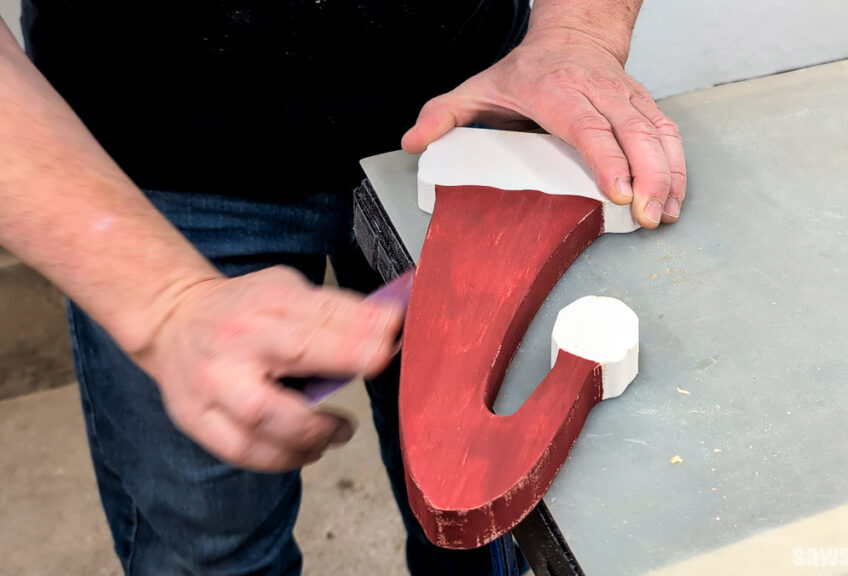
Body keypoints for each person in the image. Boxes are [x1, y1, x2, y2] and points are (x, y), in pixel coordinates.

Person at [0, 0, 685, 574]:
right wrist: (163, 302)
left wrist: (575, 34)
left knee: (476, 518)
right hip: (147, 162)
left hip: (468, 122)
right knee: (206, 549)